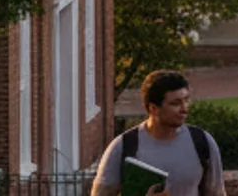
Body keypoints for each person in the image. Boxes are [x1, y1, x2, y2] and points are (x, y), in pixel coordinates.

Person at [91, 70, 226, 196]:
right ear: (153, 108)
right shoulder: (124, 146)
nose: (184, 109)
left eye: (186, 100)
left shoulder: (202, 142)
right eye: (175, 103)